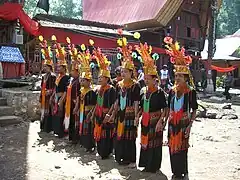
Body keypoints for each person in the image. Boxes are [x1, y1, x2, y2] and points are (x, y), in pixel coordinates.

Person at [164, 37, 198, 180]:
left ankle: (183, 171)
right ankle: (175, 172)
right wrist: (165, 122)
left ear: (186, 77)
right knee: (172, 147)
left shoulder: (190, 91)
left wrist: (190, 125)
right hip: (172, 123)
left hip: (184, 123)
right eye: (176, 75)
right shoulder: (171, 90)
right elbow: (168, 108)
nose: (177, 78)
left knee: (182, 148)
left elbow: (194, 109)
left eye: (180, 76)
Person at [136, 42, 167, 173]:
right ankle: (145, 164)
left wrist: (161, 121)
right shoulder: (143, 91)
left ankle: (153, 166)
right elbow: (141, 106)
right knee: (145, 141)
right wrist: (138, 115)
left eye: (149, 78)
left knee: (154, 143)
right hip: (145, 120)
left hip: (155, 121)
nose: (146, 80)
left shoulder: (160, 93)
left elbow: (165, 109)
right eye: (145, 78)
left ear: (155, 79)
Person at [114, 36, 140, 167]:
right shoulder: (119, 85)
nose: (123, 74)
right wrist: (113, 113)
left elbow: (136, 102)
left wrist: (136, 116)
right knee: (120, 135)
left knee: (130, 137)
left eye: (125, 72)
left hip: (130, 114)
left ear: (131, 72)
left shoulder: (135, 86)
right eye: (122, 71)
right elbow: (117, 100)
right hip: (120, 113)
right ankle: (121, 157)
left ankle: (131, 160)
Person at [93, 47, 116, 159]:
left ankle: (107, 152)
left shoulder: (111, 89)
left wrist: (109, 114)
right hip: (98, 114)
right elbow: (97, 103)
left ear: (107, 78)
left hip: (106, 115)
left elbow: (113, 103)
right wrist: (93, 114)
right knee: (99, 132)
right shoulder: (98, 89)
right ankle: (100, 151)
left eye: (102, 77)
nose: (100, 79)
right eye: (99, 77)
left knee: (107, 134)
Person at [76, 48, 97, 152]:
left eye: (84, 80)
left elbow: (94, 104)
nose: (82, 82)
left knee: (89, 129)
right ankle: (83, 143)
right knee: (82, 127)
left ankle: (90, 146)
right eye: (81, 80)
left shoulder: (92, 91)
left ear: (89, 81)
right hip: (82, 111)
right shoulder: (82, 90)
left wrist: (91, 113)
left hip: (88, 112)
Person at [51, 36, 70, 138]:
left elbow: (66, 90)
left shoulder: (67, 77)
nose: (58, 68)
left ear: (64, 67)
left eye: (60, 67)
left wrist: (62, 100)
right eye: (57, 67)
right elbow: (55, 88)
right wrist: (53, 96)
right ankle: (56, 131)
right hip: (56, 96)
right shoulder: (58, 77)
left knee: (61, 114)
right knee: (56, 114)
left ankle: (62, 132)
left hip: (62, 97)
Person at [64, 39, 81, 144]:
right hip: (70, 104)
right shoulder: (72, 80)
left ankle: (75, 139)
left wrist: (76, 105)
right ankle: (71, 137)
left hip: (75, 104)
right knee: (71, 121)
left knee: (76, 121)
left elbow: (78, 94)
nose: (71, 71)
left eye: (73, 70)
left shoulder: (78, 81)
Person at [39, 36, 56, 133]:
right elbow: (42, 86)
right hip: (44, 95)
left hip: (49, 96)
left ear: (49, 67)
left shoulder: (53, 76)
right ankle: (43, 126)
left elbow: (54, 88)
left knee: (48, 112)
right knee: (43, 111)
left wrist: (49, 94)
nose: (44, 67)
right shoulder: (44, 76)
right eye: (44, 66)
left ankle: (48, 128)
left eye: (46, 66)